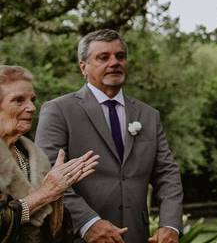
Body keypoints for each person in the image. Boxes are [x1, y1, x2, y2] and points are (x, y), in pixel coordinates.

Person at [35, 31, 184, 243]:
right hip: (79, 237)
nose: (114, 62)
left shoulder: (149, 115)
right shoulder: (58, 111)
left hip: (137, 236)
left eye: (120, 56)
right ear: (83, 67)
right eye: (103, 57)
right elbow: (47, 174)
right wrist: (88, 223)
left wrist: (170, 225)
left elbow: (167, 174)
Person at [0, 65, 98, 243]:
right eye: (19, 100)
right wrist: (46, 193)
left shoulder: (28, 155)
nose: (31, 108)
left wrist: (57, 192)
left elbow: (49, 231)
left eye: (32, 100)